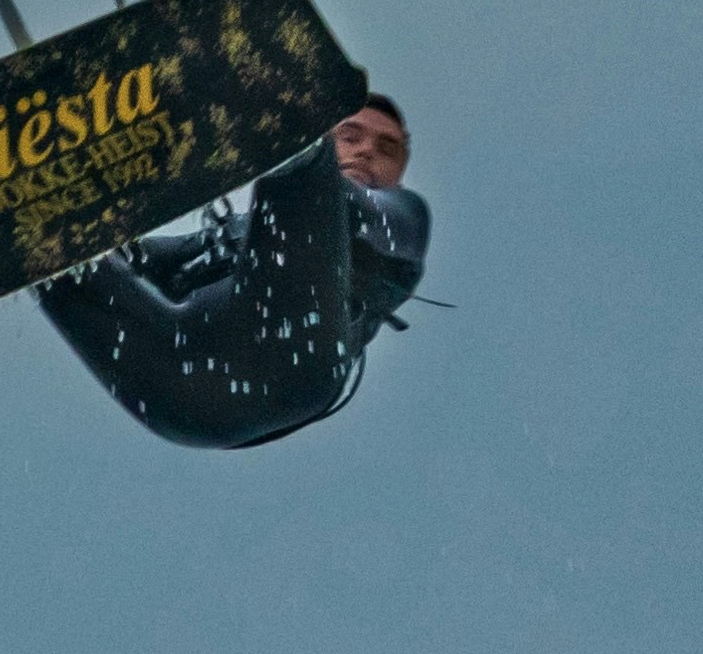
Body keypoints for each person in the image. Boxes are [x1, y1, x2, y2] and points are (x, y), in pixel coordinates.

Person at [36, 95, 428, 449]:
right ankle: (20, 221)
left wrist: (301, 151)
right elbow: (140, 259)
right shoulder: (241, 233)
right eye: (350, 135)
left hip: (293, 364)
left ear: (400, 171)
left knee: (307, 171)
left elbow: (357, 208)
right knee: (61, 260)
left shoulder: (405, 218)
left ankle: (290, 124)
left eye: (387, 148)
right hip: (184, 394)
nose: (365, 152)